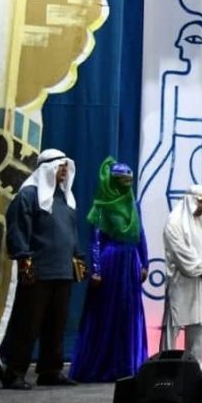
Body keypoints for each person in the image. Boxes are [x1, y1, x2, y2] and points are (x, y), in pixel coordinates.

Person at [1, 149, 85, 390]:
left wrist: (77, 256)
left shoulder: (66, 198)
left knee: (56, 324)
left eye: (66, 166)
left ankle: (50, 370)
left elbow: (71, 233)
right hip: (38, 271)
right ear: (47, 168)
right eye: (60, 166)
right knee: (27, 324)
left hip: (62, 271)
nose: (64, 170)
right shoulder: (28, 195)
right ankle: (14, 372)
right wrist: (24, 259)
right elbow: (18, 229)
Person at [69, 158, 149, 382]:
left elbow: (140, 235)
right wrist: (96, 269)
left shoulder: (134, 205)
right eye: (123, 180)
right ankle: (105, 363)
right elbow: (95, 240)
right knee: (107, 312)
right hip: (111, 264)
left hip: (130, 264)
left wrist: (145, 262)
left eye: (129, 180)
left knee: (128, 312)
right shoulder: (102, 205)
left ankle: (128, 364)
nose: (127, 184)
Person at [161, 185, 202, 370]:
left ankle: (196, 361)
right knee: (174, 323)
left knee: (199, 322)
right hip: (181, 281)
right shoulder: (174, 222)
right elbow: (181, 254)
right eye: (201, 202)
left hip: (201, 281)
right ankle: (167, 362)